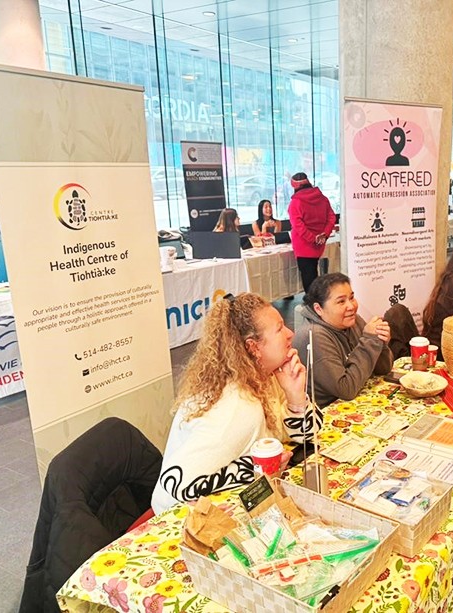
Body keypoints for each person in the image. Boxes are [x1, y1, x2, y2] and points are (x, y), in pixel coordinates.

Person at [151, 293, 321, 514]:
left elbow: (308, 436)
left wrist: (296, 397)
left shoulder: (264, 377)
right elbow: (174, 486)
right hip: (180, 521)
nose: (290, 334)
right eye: (279, 329)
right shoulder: (238, 407)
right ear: (253, 347)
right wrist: (254, 468)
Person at [292, 273, 393, 407]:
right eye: (341, 301)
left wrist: (380, 342)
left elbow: (383, 369)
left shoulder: (352, 320)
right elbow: (346, 390)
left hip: (358, 400)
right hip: (326, 412)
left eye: (351, 298)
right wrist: (369, 341)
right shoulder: (313, 335)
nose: (351, 306)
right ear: (318, 309)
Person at [287, 172, 336, 294]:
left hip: (303, 244)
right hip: (319, 243)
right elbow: (331, 218)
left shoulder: (296, 202)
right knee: (313, 272)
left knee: (308, 276)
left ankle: (312, 303)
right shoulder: (323, 199)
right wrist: (324, 235)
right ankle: (316, 301)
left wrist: (312, 238)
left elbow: (297, 225)